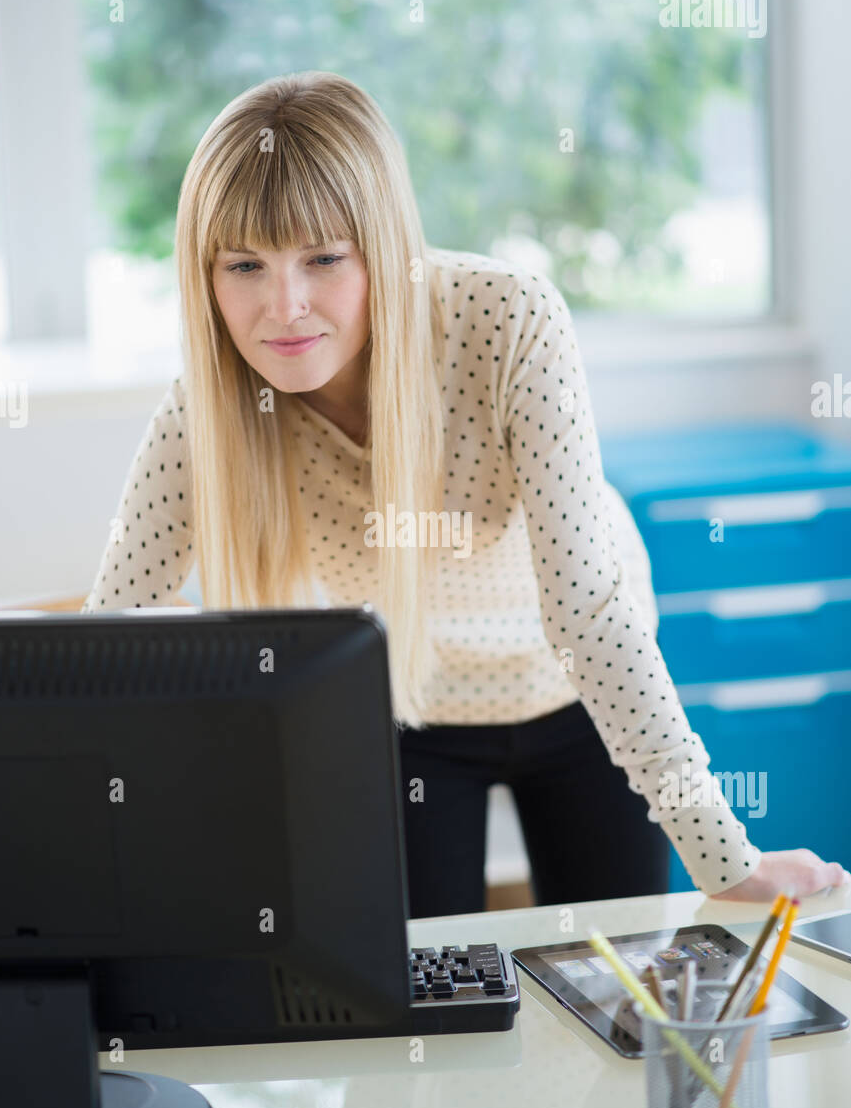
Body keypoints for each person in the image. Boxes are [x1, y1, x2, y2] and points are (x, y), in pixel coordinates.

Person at [80, 70, 849, 914]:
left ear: (383, 243)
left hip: (585, 696)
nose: (284, 307)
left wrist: (725, 858)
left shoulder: (507, 319)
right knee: (428, 993)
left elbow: (589, 610)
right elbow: (120, 629)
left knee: (626, 984)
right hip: (414, 707)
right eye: (245, 265)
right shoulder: (214, 397)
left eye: (324, 257)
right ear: (205, 272)